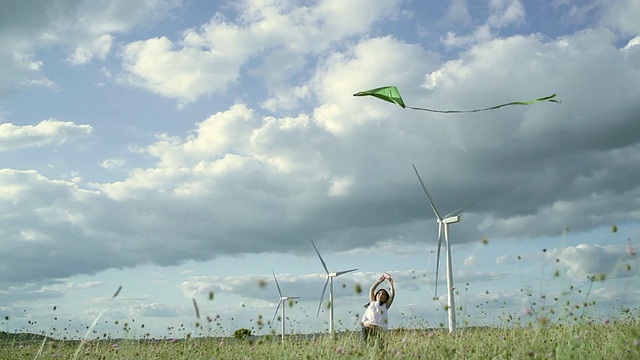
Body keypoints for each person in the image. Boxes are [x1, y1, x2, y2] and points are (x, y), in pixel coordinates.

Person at [361, 273, 395, 341]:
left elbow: (392, 295)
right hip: (367, 327)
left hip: (379, 330)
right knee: (364, 344)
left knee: (379, 347)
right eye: (379, 293)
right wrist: (379, 281)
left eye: (383, 294)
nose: (381, 294)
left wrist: (391, 284)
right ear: (376, 295)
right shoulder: (372, 303)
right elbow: (372, 290)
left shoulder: (385, 306)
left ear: (386, 298)